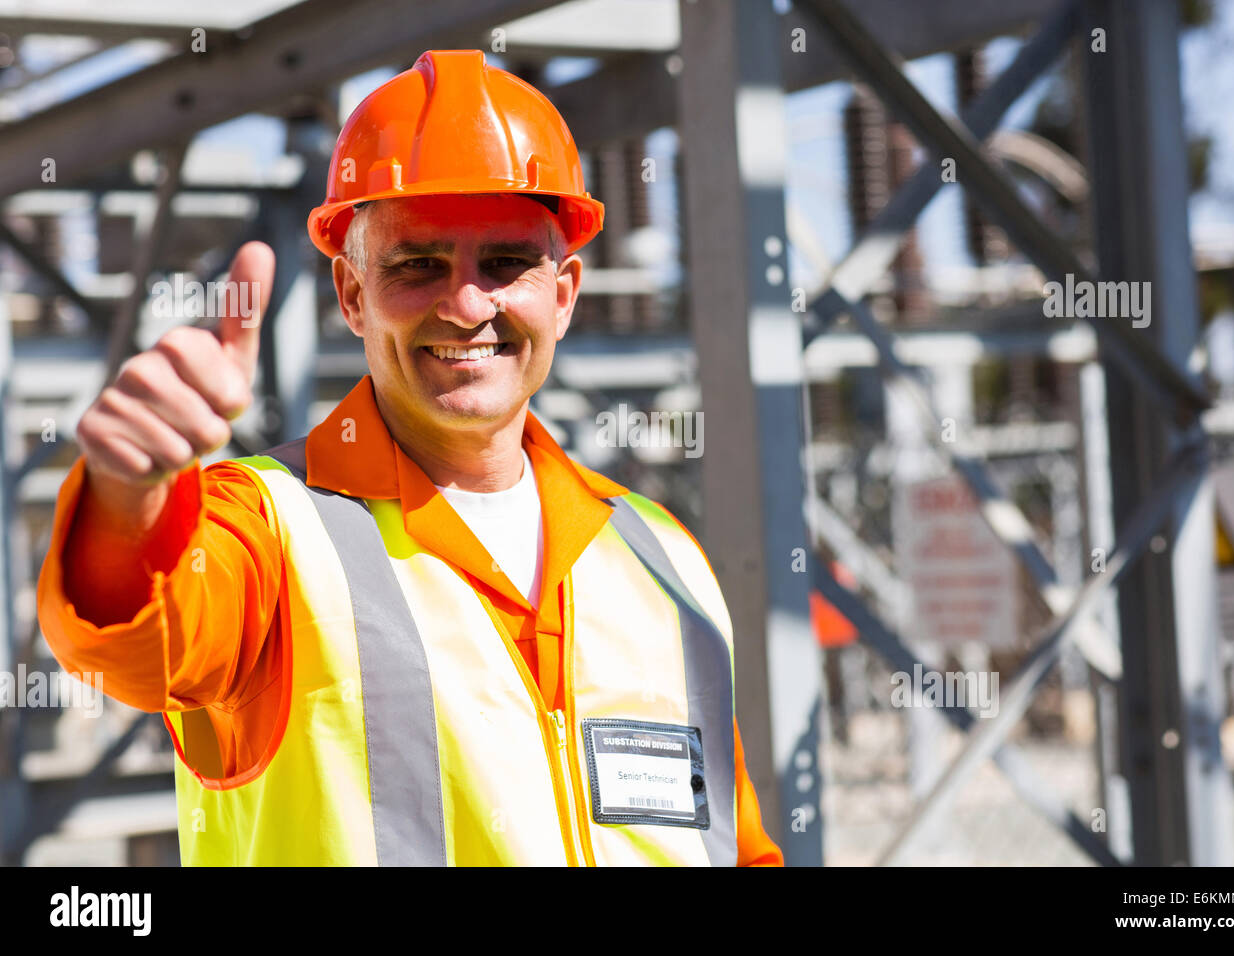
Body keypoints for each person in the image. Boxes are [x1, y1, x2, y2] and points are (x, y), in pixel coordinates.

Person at [36, 49, 782, 866]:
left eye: (506, 264)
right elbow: (135, 648)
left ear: (563, 296)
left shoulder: (660, 555)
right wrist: (127, 497)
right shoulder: (271, 530)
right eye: (417, 264)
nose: (467, 306)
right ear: (353, 296)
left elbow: (732, 848)